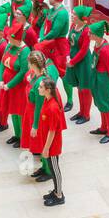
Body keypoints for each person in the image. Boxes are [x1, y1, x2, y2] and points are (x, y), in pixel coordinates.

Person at [0, 23, 31, 148]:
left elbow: (23, 72)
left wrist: (9, 85)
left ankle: (23, 137)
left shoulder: (25, 51)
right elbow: (2, 63)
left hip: (18, 87)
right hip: (7, 85)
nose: (8, 40)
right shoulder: (9, 46)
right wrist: (0, 80)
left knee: (19, 113)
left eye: (10, 38)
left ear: (17, 39)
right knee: (12, 111)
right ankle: (17, 134)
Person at [37, 75, 66, 207]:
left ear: (48, 89)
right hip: (47, 143)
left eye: (41, 87)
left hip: (52, 145)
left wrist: (46, 148)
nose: (38, 88)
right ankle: (55, 191)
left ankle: (59, 195)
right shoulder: (46, 100)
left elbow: (52, 131)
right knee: (52, 168)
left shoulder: (53, 107)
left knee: (55, 170)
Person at [87, 21, 109, 143]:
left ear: (97, 35)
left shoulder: (105, 50)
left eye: (91, 33)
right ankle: (104, 127)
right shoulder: (97, 45)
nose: (88, 34)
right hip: (96, 77)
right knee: (100, 103)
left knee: (106, 105)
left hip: (103, 79)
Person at [65, 4, 94, 121]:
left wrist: (72, 61)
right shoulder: (73, 25)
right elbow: (68, 41)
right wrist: (67, 56)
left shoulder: (86, 30)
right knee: (78, 87)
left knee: (85, 89)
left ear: (81, 17)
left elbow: (83, 50)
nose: (72, 15)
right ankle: (81, 111)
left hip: (83, 63)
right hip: (72, 60)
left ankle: (86, 114)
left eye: (74, 14)